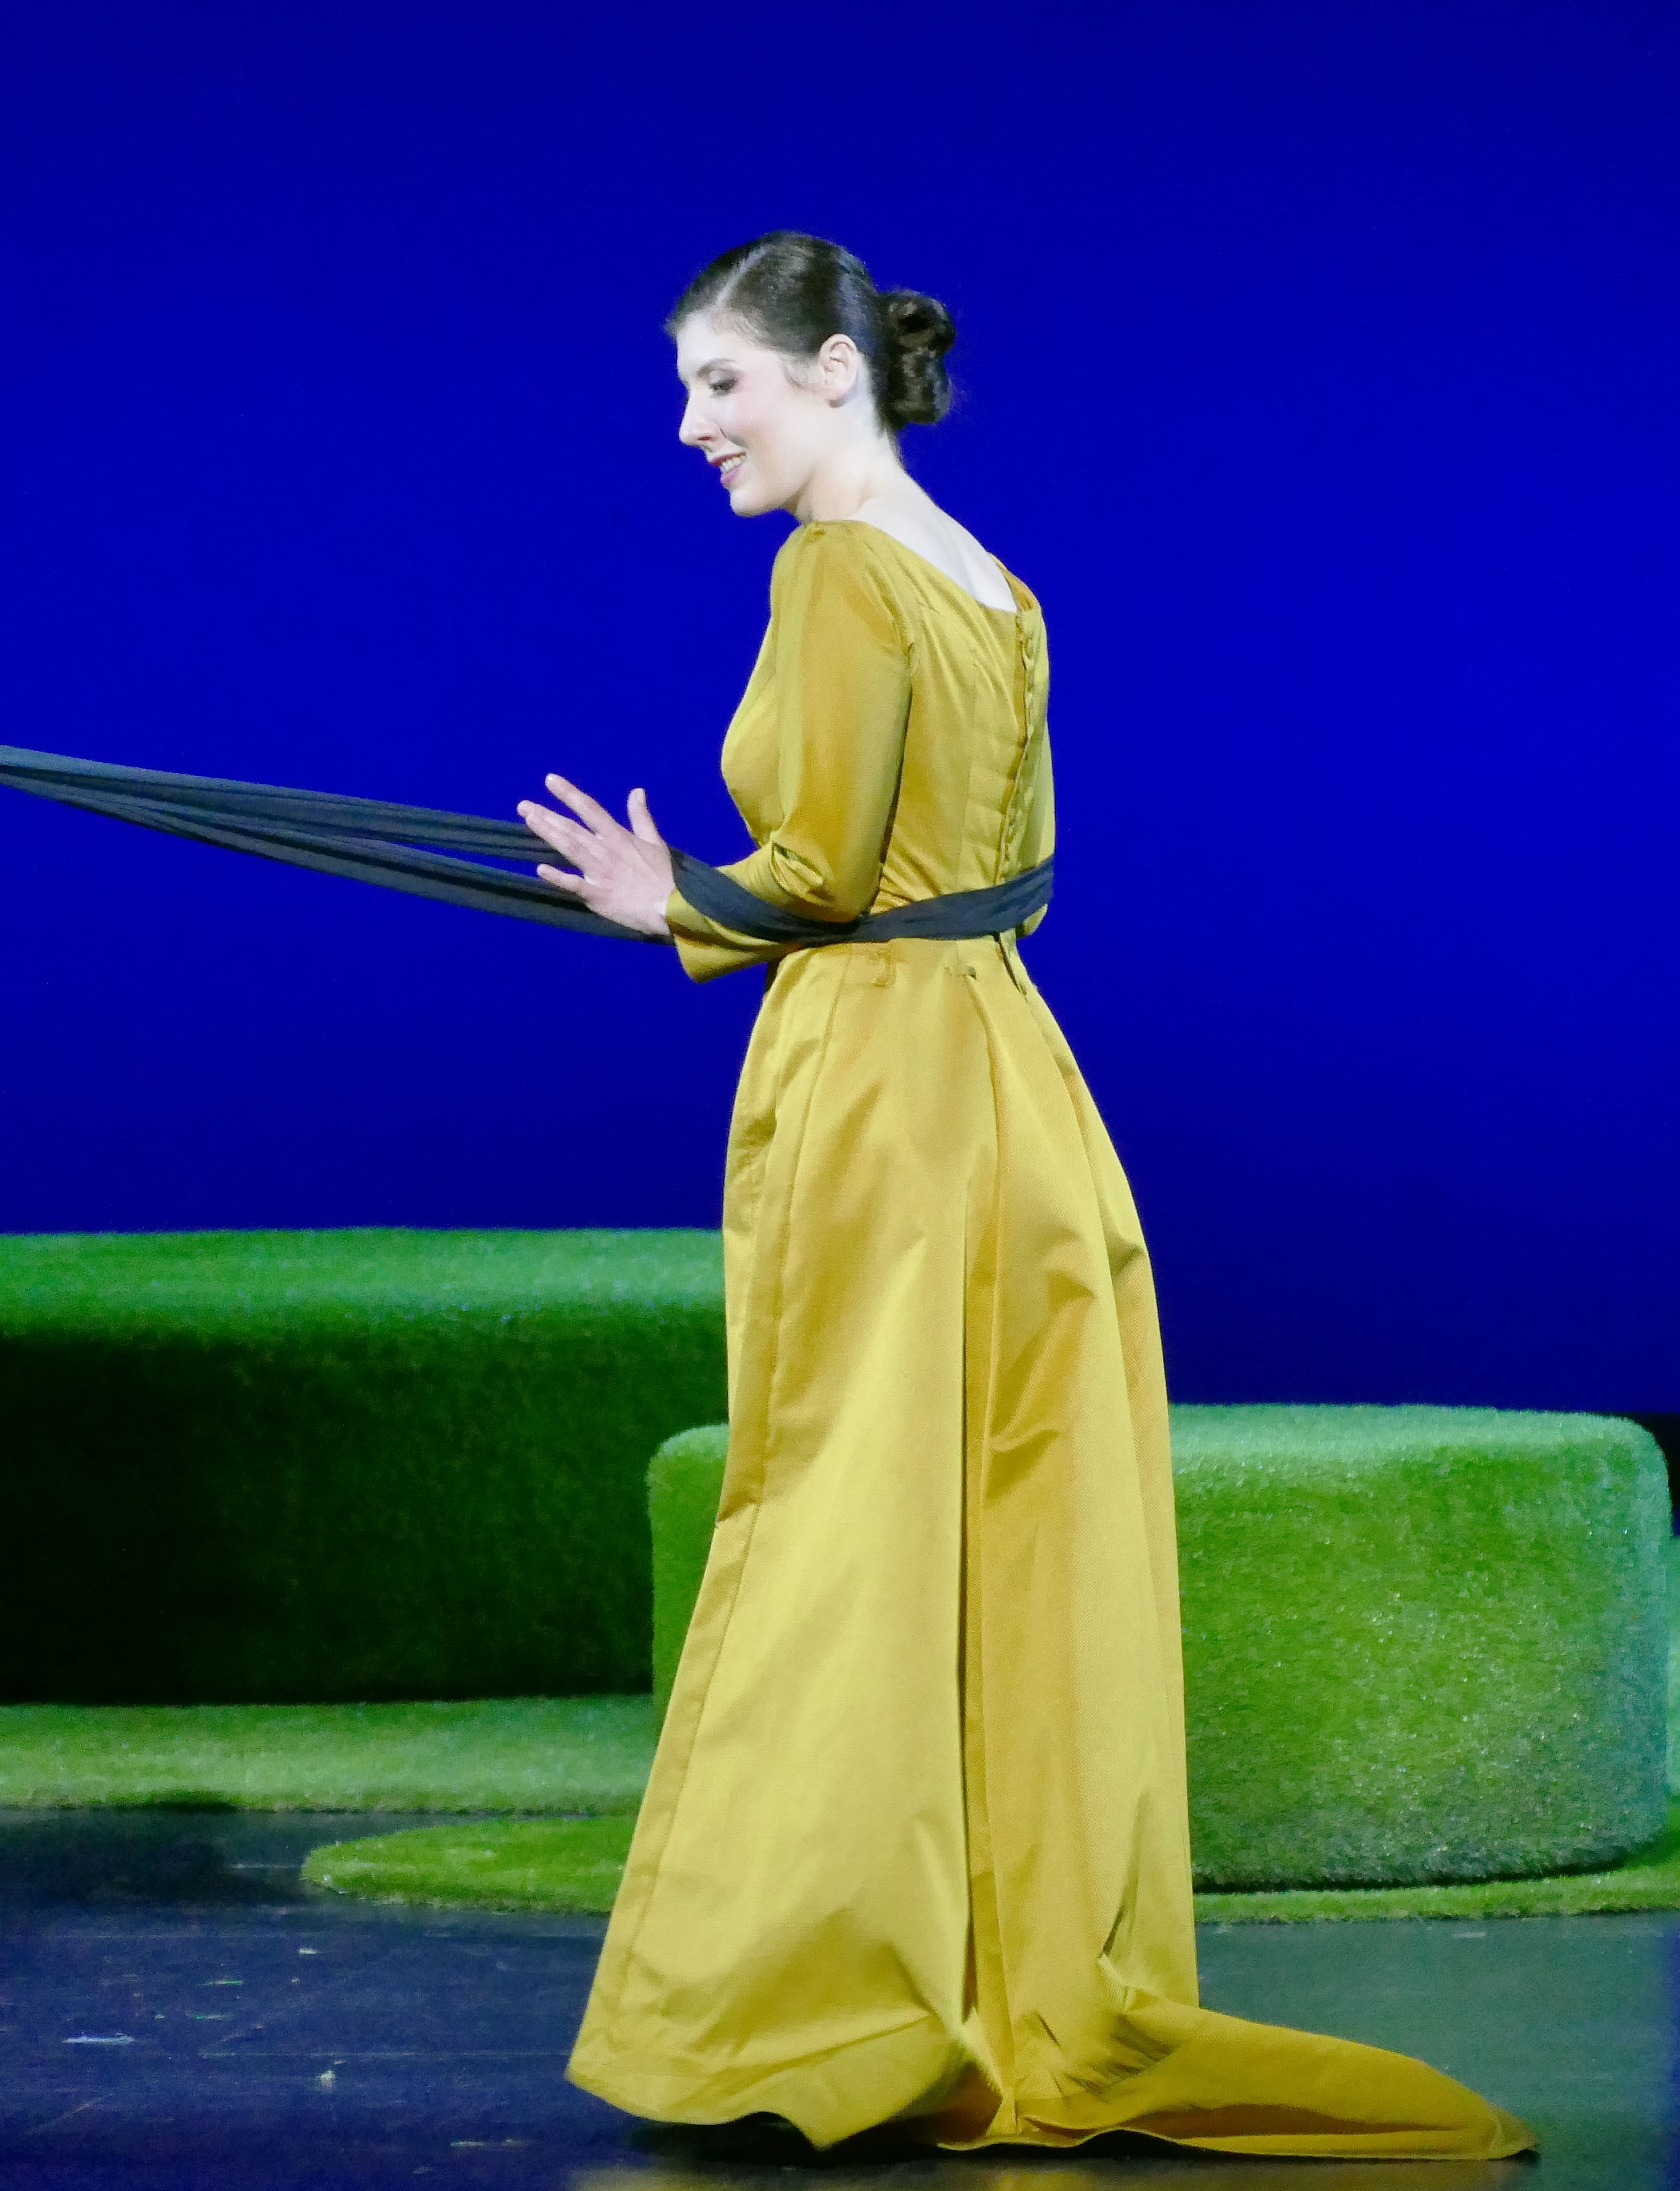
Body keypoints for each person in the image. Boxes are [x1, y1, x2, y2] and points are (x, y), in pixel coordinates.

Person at [519, 234, 1533, 2159]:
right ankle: (1000, 1971)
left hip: (882, 1087)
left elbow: (821, 873)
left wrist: (673, 904)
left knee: (847, 1520)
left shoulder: (836, 567)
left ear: (832, 371)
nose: (692, 427)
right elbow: (1015, 866)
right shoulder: (993, 579)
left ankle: (823, 2000)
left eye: (721, 384)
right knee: (996, 1531)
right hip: (1007, 1070)